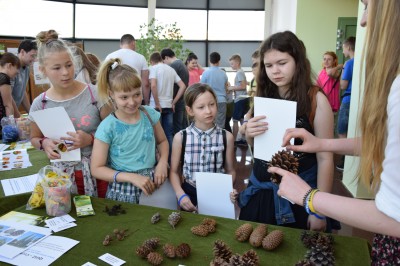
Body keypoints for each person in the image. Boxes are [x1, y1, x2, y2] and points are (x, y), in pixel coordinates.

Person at [269, 1, 400, 263]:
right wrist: (322, 144)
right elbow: (385, 143)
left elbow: (393, 217)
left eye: (367, 5)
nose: (363, 21)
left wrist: (311, 199)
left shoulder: (316, 98)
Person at [232, 31, 334, 232]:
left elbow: (325, 158)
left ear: (298, 61)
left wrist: (319, 209)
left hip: (299, 195)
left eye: (282, 63)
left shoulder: (315, 100)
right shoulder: (263, 96)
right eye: (269, 66)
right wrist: (248, 133)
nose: (275, 71)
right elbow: (258, 148)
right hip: (261, 191)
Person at [29, 29, 111, 198]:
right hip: (62, 178)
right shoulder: (40, 104)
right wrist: (44, 143)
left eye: (68, 65)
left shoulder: (95, 94)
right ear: (43, 70)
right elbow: (34, 138)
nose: (65, 72)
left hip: (99, 172)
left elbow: (115, 130)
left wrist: (91, 139)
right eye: (56, 68)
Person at [91, 58, 169, 203]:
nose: (132, 102)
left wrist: (163, 162)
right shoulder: (107, 127)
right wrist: (132, 177)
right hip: (123, 189)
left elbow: (162, 141)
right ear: (111, 94)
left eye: (137, 94)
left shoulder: (150, 114)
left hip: (153, 184)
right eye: (124, 97)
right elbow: (96, 168)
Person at [170, 83, 236, 211]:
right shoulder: (181, 137)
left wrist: (228, 189)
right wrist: (180, 194)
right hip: (189, 192)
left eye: (212, 104)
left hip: (217, 192)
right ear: (190, 110)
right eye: (201, 107)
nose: (208, 111)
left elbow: (230, 170)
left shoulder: (226, 137)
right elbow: (173, 172)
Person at [149, 52, 186, 156]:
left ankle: (159, 161)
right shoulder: (171, 70)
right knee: (168, 135)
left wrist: (157, 103)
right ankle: (170, 160)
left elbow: (153, 86)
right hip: (169, 106)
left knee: (156, 135)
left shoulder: (153, 69)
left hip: (156, 107)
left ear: (152, 62)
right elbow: (182, 86)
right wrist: (174, 102)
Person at [105, 34, 150, 104]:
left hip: (116, 99)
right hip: (136, 99)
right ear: (133, 43)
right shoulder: (141, 58)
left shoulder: (110, 56)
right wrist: (146, 103)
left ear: (121, 45)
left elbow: (105, 80)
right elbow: (146, 83)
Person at [336, 36, 356, 171]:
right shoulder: (362, 61)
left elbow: (343, 85)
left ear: (348, 47)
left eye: (343, 48)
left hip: (348, 100)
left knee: (341, 131)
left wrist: (342, 70)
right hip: (357, 101)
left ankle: (345, 162)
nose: (343, 51)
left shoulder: (349, 63)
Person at [160, 48, 189, 134]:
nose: (164, 64)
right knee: (181, 125)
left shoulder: (174, 66)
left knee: (176, 128)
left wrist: (173, 102)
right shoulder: (182, 64)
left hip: (177, 101)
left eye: (163, 61)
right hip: (182, 99)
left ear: (166, 58)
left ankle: (178, 146)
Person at [200, 52, 229, 128]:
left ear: (209, 60)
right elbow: (226, 88)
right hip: (222, 100)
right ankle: (220, 139)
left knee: (209, 122)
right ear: (219, 61)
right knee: (221, 124)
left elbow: (201, 88)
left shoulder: (206, 73)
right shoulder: (223, 73)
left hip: (209, 101)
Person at [11, 39, 37, 114]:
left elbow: (22, 91)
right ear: (22, 52)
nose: (34, 60)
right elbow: (8, 97)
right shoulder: (11, 66)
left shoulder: (27, 68)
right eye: (32, 56)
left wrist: (31, 113)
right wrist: (17, 115)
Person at [227, 54, 248, 146]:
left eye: (232, 64)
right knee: (241, 119)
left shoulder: (239, 72)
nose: (231, 66)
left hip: (240, 99)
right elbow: (245, 84)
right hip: (242, 99)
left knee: (235, 120)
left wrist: (232, 88)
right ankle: (243, 139)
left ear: (237, 63)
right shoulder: (241, 72)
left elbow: (243, 86)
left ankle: (234, 140)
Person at [0, 53, 21, 123]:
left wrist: (18, 116)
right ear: (9, 65)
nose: (15, 76)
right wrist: (11, 126)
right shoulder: (4, 77)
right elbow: (8, 105)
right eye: (16, 73)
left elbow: (10, 98)